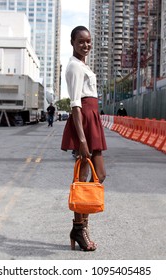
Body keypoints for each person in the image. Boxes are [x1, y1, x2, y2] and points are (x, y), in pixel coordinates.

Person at [61, 26, 107, 251]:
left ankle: (79, 226)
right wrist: (82, 139)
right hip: (85, 121)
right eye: (81, 42)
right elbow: (75, 105)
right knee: (84, 179)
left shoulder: (82, 65)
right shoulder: (74, 67)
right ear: (72, 42)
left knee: (99, 175)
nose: (86, 45)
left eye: (88, 42)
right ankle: (79, 229)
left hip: (92, 118)